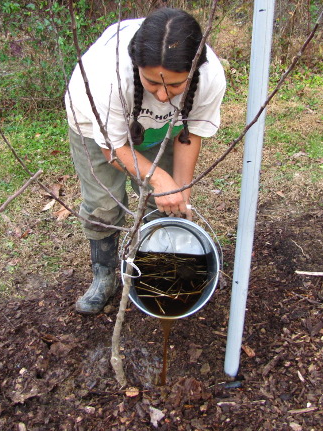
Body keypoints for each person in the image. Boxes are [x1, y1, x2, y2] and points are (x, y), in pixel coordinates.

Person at [65, 7, 226, 314]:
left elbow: (188, 135)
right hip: (94, 125)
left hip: (161, 127)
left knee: (162, 202)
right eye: (153, 83)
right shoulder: (109, 75)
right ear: (137, 66)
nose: (163, 96)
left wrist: (180, 191)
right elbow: (113, 150)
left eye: (175, 86)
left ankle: (156, 267)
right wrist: (158, 178)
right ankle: (104, 275)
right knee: (104, 205)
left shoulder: (209, 77)